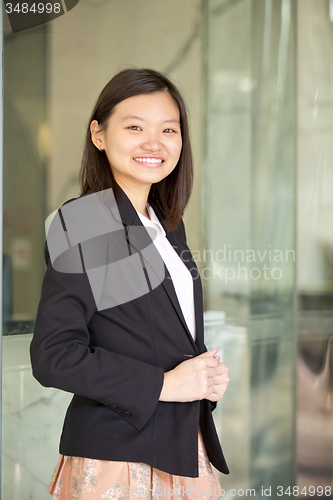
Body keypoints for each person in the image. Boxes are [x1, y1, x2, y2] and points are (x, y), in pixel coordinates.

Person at [30, 68, 230, 500]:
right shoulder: (86, 220)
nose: (154, 142)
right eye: (135, 127)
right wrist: (166, 385)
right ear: (98, 135)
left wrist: (204, 381)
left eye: (169, 129)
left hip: (181, 447)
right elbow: (54, 355)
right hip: (119, 457)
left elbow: (151, 334)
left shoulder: (166, 224)